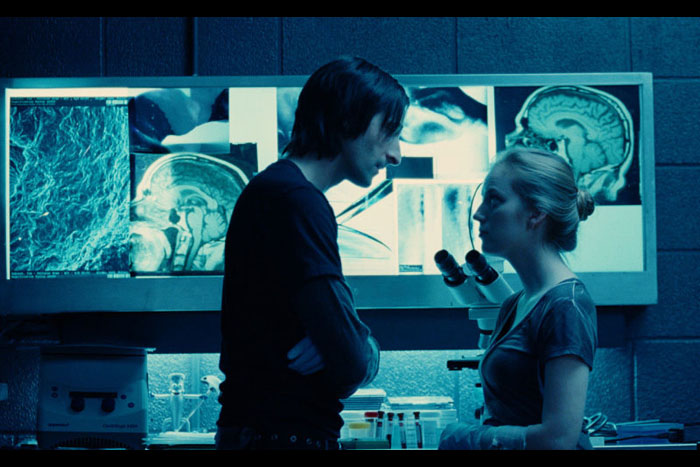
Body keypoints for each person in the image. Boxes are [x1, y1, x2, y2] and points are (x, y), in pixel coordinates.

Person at [216, 56, 409, 450]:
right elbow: (351, 363)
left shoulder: (277, 190)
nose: (396, 154)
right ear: (348, 118)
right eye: (390, 131)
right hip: (284, 439)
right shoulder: (297, 201)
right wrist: (356, 343)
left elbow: (339, 344)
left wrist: (338, 338)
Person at [439, 146, 597, 450]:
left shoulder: (566, 305)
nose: (478, 213)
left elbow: (559, 439)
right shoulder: (514, 305)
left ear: (536, 213)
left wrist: (470, 438)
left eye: (494, 200)